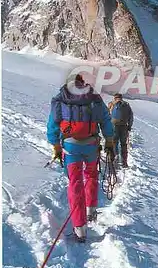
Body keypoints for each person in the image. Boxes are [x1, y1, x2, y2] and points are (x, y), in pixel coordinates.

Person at [47, 74, 114, 242]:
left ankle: (80, 228)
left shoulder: (60, 99)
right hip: (91, 144)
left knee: (75, 182)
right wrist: (110, 140)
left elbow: (53, 124)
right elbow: (105, 120)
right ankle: (91, 210)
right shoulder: (94, 98)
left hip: (71, 146)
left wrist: (55, 145)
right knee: (91, 175)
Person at [108, 93, 133, 168]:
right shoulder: (126, 104)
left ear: (115, 98)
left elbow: (107, 115)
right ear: (121, 97)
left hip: (114, 126)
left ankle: (115, 157)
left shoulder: (111, 104)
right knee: (123, 144)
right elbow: (131, 116)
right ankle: (124, 162)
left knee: (114, 142)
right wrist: (129, 126)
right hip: (124, 126)